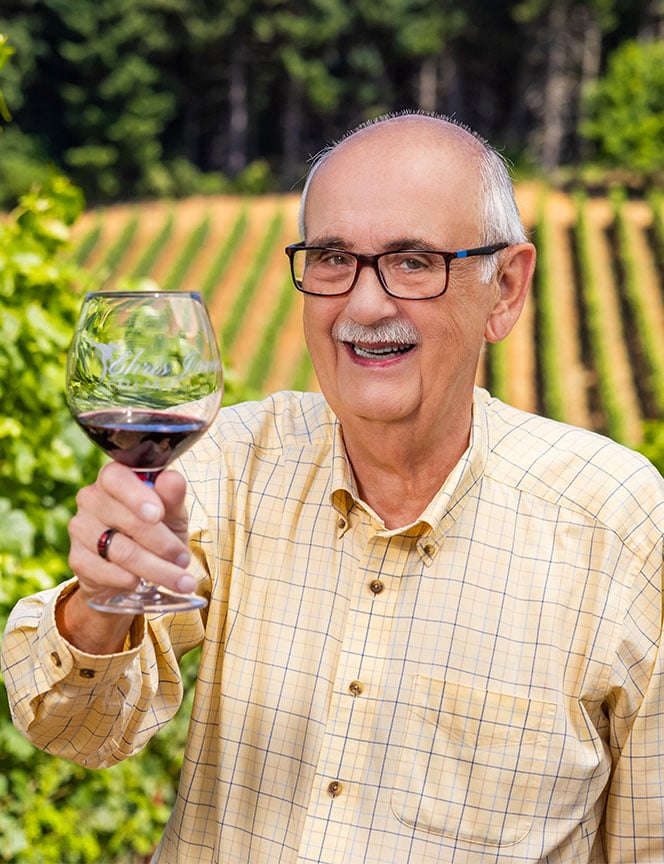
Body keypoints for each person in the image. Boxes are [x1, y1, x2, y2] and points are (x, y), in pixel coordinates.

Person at [2, 112, 663, 864]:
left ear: (504, 289)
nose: (365, 304)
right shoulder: (233, 464)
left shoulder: (617, 525)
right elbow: (74, 729)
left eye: (413, 261)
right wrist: (99, 603)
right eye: (331, 258)